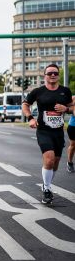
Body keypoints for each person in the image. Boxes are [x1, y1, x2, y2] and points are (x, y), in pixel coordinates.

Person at [22, 64, 73, 203]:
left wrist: (66, 109)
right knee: (49, 159)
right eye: (49, 73)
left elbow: (72, 107)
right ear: (44, 75)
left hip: (58, 132)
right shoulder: (38, 91)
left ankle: (47, 184)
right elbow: (25, 104)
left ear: (58, 75)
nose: (52, 75)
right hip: (43, 131)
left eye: (55, 73)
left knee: (55, 162)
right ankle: (47, 188)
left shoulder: (65, 91)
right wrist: (30, 118)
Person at [67, 96, 75, 173]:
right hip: (73, 126)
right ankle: (70, 163)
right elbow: (67, 109)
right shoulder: (73, 98)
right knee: (73, 145)